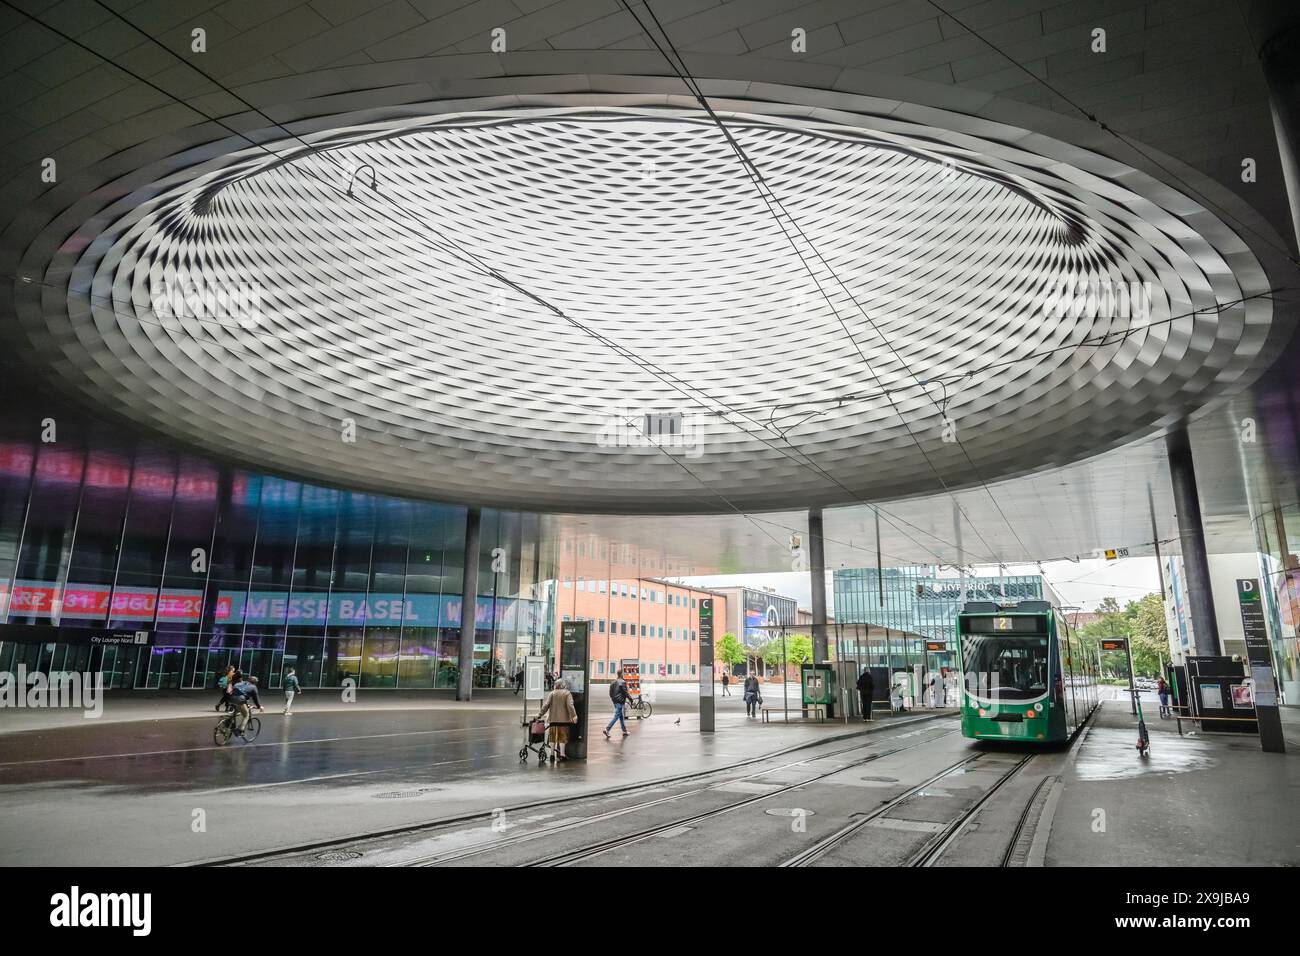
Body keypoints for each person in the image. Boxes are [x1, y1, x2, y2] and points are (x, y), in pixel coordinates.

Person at [536, 678, 578, 761]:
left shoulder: (552, 693)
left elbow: (546, 705)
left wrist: (539, 714)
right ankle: (562, 754)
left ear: (556, 685)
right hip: (564, 720)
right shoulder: (567, 693)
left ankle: (552, 754)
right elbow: (570, 705)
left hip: (553, 719)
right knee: (562, 737)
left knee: (552, 737)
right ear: (563, 685)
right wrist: (574, 716)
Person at [605, 671, 631, 738]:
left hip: (615, 702)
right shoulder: (623, 682)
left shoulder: (613, 682)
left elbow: (610, 693)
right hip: (620, 702)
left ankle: (624, 731)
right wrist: (631, 699)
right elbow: (625, 692)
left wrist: (613, 700)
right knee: (616, 716)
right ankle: (607, 729)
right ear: (621, 674)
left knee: (621, 716)